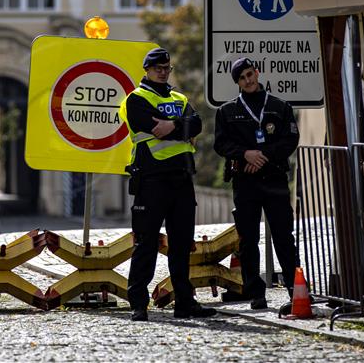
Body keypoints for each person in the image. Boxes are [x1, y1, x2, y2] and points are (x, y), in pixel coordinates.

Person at [118, 47, 217, 322]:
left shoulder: (179, 98)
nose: (163, 72)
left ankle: (185, 302)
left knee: (182, 244)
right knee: (146, 244)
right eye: (158, 68)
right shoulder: (135, 99)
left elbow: (196, 124)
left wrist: (170, 126)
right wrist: (179, 127)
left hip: (182, 179)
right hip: (151, 180)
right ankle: (138, 303)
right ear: (147, 70)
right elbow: (145, 124)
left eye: (166, 68)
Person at [213, 57, 299, 310]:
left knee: (284, 237)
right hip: (245, 182)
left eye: (250, 74)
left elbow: (290, 140)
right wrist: (244, 154)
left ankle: (297, 290)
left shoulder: (280, 106)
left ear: (257, 73)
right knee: (248, 240)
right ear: (237, 82)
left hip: (274, 179)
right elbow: (221, 144)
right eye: (242, 78)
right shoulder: (227, 111)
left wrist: (262, 156)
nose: (248, 80)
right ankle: (255, 293)